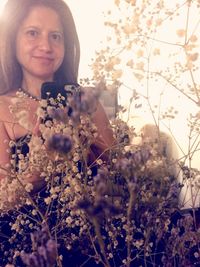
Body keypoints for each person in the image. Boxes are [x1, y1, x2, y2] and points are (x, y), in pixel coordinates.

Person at [0, 0, 115, 265]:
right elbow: (3, 199)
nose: (46, 46)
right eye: (32, 33)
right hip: (27, 243)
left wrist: (90, 150)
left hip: (95, 235)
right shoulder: (2, 108)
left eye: (56, 36)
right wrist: (39, 171)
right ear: (12, 38)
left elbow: (115, 170)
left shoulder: (86, 100)